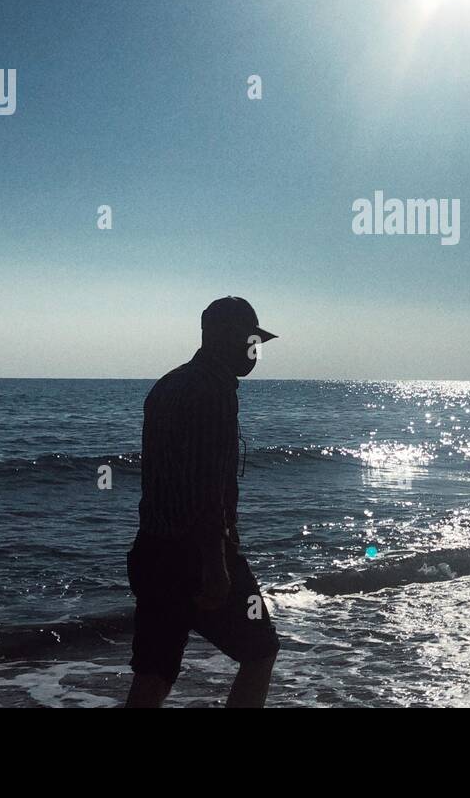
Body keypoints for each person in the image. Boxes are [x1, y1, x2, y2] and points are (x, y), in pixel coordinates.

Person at [124, 297, 280, 707]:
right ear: (224, 337)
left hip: (152, 551)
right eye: (251, 340)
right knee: (260, 650)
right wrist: (216, 564)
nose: (256, 350)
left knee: (154, 671)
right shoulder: (215, 392)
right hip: (196, 556)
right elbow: (207, 487)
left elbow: (163, 478)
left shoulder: (167, 385)